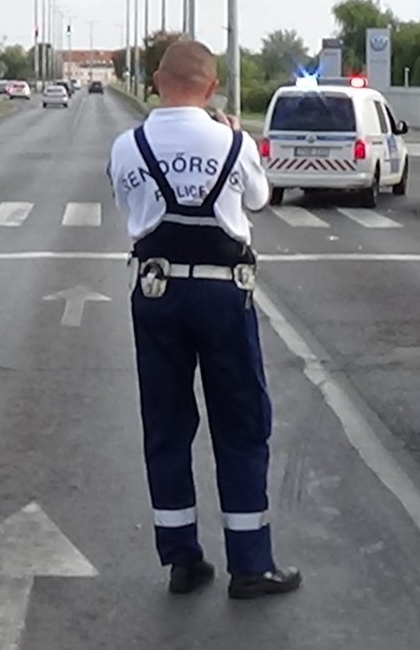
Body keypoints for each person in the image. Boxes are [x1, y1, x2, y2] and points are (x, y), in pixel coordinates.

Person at [107, 39, 302, 600]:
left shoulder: (128, 145)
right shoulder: (234, 142)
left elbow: (131, 209)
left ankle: (182, 560)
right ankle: (250, 564)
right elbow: (260, 201)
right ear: (211, 87)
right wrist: (231, 136)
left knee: (166, 426)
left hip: (156, 290)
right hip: (223, 295)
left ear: (155, 82)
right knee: (241, 424)